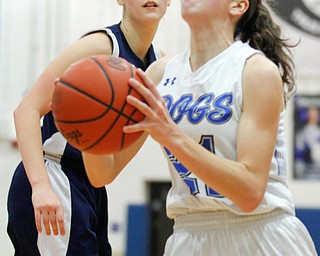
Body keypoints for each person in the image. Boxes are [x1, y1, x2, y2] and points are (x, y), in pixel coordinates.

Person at [82, 0, 317, 255]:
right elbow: (103, 173)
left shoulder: (256, 71)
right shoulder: (160, 74)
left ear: (237, 5)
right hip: (188, 235)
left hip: (260, 232)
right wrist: (87, 123)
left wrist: (171, 136)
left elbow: (250, 192)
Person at [7, 0, 170, 255]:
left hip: (92, 188)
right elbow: (26, 110)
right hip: (54, 173)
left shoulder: (159, 68)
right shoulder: (101, 46)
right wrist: (40, 186)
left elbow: (107, 172)